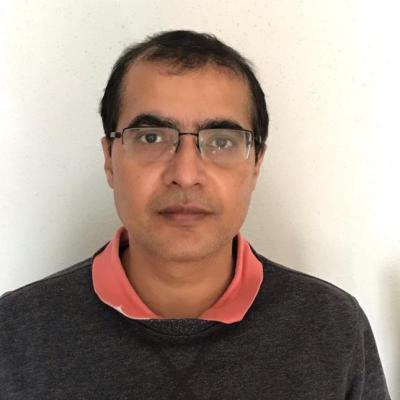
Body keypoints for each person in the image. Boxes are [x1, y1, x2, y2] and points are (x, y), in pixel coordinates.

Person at [0, 30, 391, 399]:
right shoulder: (15, 332)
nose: (185, 175)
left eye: (221, 141)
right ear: (109, 159)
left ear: (256, 164)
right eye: (151, 137)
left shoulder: (333, 327)